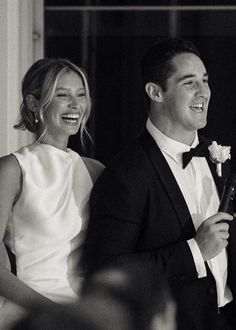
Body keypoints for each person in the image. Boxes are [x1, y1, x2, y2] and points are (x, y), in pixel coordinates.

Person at [82, 37, 236, 330]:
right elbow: (107, 271)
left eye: (205, 80)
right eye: (189, 82)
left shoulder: (220, 158)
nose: (204, 91)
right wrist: (194, 251)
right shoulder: (126, 174)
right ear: (155, 92)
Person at [0, 58, 104, 328]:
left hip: (86, 314)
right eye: (62, 95)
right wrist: (57, 315)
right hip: (29, 314)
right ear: (35, 104)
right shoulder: (13, 168)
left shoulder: (95, 171)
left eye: (81, 95)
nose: (75, 104)